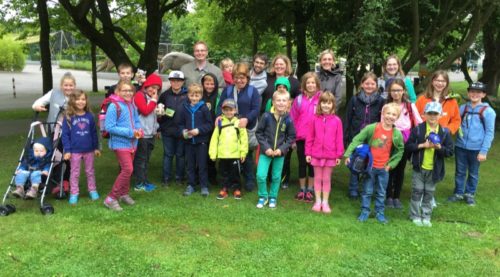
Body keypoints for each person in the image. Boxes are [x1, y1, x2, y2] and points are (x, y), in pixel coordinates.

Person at [344, 103, 404, 224]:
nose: (390, 116)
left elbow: (400, 150)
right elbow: (357, 139)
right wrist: (348, 154)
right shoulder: (372, 128)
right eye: (388, 113)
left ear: (397, 117)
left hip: (384, 169)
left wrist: (390, 165)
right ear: (382, 114)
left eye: (394, 114)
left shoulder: (396, 134)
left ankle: (379, 213)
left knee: (381, 192)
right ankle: (365, 211)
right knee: (367, 191)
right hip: (370, 168)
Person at [406, 102, 454, 226]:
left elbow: (449, 152)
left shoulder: (444, 132)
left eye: (435, 114)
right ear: (424, 115)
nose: (432, 116)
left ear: (440, 115)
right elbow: (408, 146)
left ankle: (426, 216)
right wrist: (422, 145)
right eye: (430, 114)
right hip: (419, 167)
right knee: (417, 192)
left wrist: (439, 148)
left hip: (434, 169)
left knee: (429, 193)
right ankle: (415, 215)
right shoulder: (418, 129)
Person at [448, 82, 496, 206]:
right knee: (460, 171)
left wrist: (484, 151)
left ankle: (469, 193)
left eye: (478, 92)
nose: (475, 94)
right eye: (472, 91)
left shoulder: (488, 111)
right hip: (460, 146)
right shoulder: (463, 108)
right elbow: (454, 122)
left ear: (484, 94)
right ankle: (458, 192)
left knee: (473, 172)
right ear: (468, 93)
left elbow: (489, 133)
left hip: (477, 148)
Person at [217, 63, 261, 192]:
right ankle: (230, 181)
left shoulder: (253, 91)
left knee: (246, 156)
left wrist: (246, 119)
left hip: (246, 128)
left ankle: (249, 180)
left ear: (247, 78)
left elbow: (256, 109)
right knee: (230, 156)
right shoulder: (228, 90)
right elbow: (220, 106)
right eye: (236, 77)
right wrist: (218, 117)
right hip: (230, 130)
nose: (239, 80)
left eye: (242, 77)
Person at [32, 72, 77, 195]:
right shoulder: (54, 93)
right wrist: (37, 106)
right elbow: (38, 103)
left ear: (74, 86)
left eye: (71, 85)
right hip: (54, 131)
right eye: (65, 85)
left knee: (68, 157)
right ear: (61, 85)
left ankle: (66, 182)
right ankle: (53, 182)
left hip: (71, 133)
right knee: (55, 157)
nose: (68, 88)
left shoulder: (77, 96)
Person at [344, 72, 385, 199]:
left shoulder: (381, 101)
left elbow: (382, 120)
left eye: (372, 84)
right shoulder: (355, 99)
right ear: (362, 84)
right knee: (355, 161)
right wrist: (345, 136)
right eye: (367, 83)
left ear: (376, 85)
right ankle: (353, 189)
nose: (369, 86)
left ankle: (365, 188)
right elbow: (348, 118)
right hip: (356, 136)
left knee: (368, 163)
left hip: (373, 138)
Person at [103, 80, 142, 211]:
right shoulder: (114, 106)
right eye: (124, 90)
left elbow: (136, 120)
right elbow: (109, 127)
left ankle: (124, 194)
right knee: (128, 169)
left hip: (133, 143)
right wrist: (130, 132)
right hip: (120, 144)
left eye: (130, 90)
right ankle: (111, 198)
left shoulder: (132, 105)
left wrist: (139, 129)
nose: (128, 93)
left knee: (127, 171)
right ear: (117, 92)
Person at [385, 79, 423, 209]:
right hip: (390, 139)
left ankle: (397, 197)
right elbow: (382, 122)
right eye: (393, 90)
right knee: (390, 167)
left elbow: (418, 122)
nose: (396, 93)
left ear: (404, 91)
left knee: (400, 169)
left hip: (405, 140)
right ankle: (388, 196)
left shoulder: (409, 106)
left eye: (399, 90)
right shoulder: (386, 106)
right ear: (390, 92)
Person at [255, 90, 296, 209]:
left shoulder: (289, 119)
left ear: (288, 103)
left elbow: (291, 137)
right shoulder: (266, 116)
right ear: (273, 102)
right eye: (278, 100)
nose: (281, 103)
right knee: (261, 175)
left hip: (279, 154)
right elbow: (259, 133)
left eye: (284, 100)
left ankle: (273, 196)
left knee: (276, 177)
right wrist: (266, 147)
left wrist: (282, 149)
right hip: (265, 152)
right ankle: (263, 196)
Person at [305, 91, 344, 213]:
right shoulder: (314, 119)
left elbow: (339, 139)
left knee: (326, 179)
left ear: (333, 105)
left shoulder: (337, 121)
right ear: (319, 104)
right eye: (324, 103)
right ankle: (317, 201)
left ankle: (325, 202)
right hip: (316, 154)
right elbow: (310, 137)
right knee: (317, 178)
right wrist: (308, 153)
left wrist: (338, 155)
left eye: (329, 103)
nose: (326, 106)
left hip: (331, 155)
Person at [62, 90, 101, 204]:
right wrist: (67, 150)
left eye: (83, 99)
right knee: (74, 173)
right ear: (72, 101)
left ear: (86, 101)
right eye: (78, 99)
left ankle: (92, 190)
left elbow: (94, 133)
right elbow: (65, 135)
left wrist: (96, 147)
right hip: (74, 151)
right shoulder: (69, 117)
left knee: (90, 171)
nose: (80, 102)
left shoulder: (90, 116)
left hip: (89, 150)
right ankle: (74, 192)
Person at [290, 72, 321, 202]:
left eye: (313, 82)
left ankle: (310, 189)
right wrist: (292, 138)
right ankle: (302, 189)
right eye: (308, 82)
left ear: (317, 84)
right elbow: (292, 118)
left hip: (316, 138)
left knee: (313, 164)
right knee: (302, 163)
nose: (310, 85)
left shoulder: (321, 99)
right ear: (304, 84)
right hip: (301, 137)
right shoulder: (298, 99)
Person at [178, 84, 213, 197]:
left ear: (201, 96)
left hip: (201, 142)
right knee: (190, 165)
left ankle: (203, 186)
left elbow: (209, 124)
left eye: (196, 95)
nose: (194, 98)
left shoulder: (203, 108)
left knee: (202, 165)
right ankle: (191, 185)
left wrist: (199, 130)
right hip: (188, 142)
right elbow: (180, 123)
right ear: (188, 95)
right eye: (192, 95)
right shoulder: (184, 108)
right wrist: (183, 131)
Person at [209, 99, 248, 200]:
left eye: (231, 110)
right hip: (223, 155)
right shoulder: (220, 123)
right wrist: (213, 153)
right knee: (223, 173)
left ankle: (237, 189)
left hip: (235, 155)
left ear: (235, 110)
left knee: (235, 174)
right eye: (226, 110)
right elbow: (214, 139)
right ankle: (224, 189)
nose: (228, 112)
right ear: (222, 111)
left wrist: (243, 152)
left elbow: (244, 139)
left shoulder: (238, 123)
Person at [133, 73, 162, 192]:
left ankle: (144, 181)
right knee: (141, 159)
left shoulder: (152, 99)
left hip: (150, 133)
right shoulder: (140, 95)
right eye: (151, 86)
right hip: (142, 134)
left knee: (146, 159)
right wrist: (154, 100)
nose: (153, 90)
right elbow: (145, 111)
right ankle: (139, 184)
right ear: (146, 85)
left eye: (156, 88)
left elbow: (152, 116)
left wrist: (159, 120)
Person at [157, 71, 188, 186]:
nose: (176, 83)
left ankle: (179, 178)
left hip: (182, 130)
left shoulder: (187, 95)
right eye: (173, 80)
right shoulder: (165, 95)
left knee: (180, 155)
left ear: (183, 82)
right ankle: (166, 178)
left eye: (178, 81)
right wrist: (159, 126)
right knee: (168, 154)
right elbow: (159, 112)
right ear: (170, 81)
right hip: (168, 130)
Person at [415, 70, 461, 135]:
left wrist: (448, 130)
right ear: (432, 82)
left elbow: (456, 120)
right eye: (437, 80)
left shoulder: (452, 101)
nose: (440, 83)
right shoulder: (422, 99)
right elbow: (414, 116)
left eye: (443, 81)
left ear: (447, 83)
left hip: (442, 138)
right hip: (423, 136)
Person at [202, 73, 220, 185]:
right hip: (202, 129)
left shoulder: (218, 96)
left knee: (212, 153)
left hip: (214, 129)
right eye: (207, 83)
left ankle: (212, 176)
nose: (209, 86)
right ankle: (201, 176)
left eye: (212, 84)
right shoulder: (200, 95)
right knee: (201, 154)